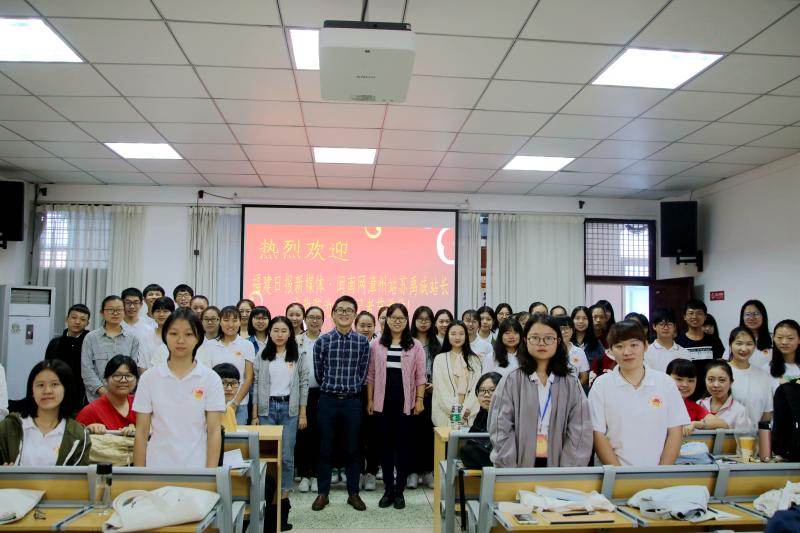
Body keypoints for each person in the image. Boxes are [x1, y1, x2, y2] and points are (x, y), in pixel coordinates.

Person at [489, 315, 592, 468]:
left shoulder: (571, 382)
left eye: (549, 338)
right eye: (535, 338)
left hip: (560, 466)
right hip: (518, 466)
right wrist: (510, 468)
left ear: (558, 341)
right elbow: (500, 427)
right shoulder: (511, 380)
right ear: (525, 340)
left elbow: (580, 429)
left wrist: (568, 470)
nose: (542, 343)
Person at [133, 308, 224, 468]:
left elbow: (214, 431)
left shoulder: (210, 379)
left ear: (198, 338)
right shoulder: (149, 378)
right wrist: (139, 474)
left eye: (188, 334)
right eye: (174, 333)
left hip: (197, 466)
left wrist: (210, 474)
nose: (180, 340)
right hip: (157, 465)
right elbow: (141, 432)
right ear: (165, 336)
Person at [589, 321, 688, 466]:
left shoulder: (665, 383)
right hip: (613, 472)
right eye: (619, 346)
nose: (627, 352)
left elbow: (675, 431)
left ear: (646, 346)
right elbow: (597, 433)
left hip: (657, 471)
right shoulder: (601, 385)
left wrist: (662, 472)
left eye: (634, 345)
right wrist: (619, 474)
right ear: (610, 351)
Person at [312, 296, 370, 512]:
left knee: (353, 448)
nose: (344, 314)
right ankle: (323, 493)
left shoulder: (362, 342)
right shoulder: (323, 341)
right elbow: (319, 373)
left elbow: (363, 373)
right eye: (340, 310)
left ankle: (353, 493)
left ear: (355, 315)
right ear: (333, 314)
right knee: (324, 447)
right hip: (327, 400)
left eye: (349, 310)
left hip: (352, 401)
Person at [366, 303, 426, 510]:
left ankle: (399, 490)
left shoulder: (415, 345)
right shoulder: (376, 345)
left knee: (402, 448)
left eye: (402, 318)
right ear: (387, 320)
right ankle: (388, 490)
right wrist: (370, 400)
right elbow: (371, 375)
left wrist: (419, 400)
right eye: (393, 317)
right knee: (385, 448)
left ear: (407, 321)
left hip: (405, 403)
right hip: (382, 403)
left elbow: (420, 376)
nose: (397, 321)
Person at [251, 316, 308, 510]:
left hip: (289, 410)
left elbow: (303, 384)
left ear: (290, 333)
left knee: (286, 455)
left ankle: (284, 494)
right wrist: (254, 415)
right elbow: (256, 384)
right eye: (276, 330)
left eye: (284, 331)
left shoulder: (298, 354)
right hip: (267, 409)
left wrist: (303, 413)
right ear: (270, 332)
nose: (279, 334)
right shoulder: (262, 354)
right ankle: (269, 492)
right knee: (267, 454)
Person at [0, 359, 90, 465]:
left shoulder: (79, 435)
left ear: (66, 389)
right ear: (32, 390)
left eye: (54, 384)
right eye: (40, 385)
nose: (47, 391)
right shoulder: (9, 426)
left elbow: (79, 474)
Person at [196, 306, 255, 424]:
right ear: (220, 322)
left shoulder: (247, 345)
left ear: (240, 322)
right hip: (214, 403)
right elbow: (206, 376)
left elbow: (249, 378)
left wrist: (235, 403)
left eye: (235, 320)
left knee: (237, 435)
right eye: (226, 320)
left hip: (240, 404)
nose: (230, 324)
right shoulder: (209, 345)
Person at [81, 295, 140, 402]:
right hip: (97, 399)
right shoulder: (91, 338)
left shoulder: (132, 339)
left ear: (124, 312)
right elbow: (86, 369)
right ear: (102, 312)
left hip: (124, 398)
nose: (115, 313)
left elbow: (133, 369)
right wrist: (102, 391)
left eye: (119, 309)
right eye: (110, 310)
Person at [408, 305, 440, 490]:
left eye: (427, 319)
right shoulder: (408, 342)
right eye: (420, 319)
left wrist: (434, 385)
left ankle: (428, 471)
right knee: (411, 433)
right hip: (411, 394)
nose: (423, 322)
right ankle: (412, 472)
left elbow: (443, 370)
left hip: (432, 395)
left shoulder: (438, 344)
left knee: (429, 434)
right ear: (414, 321)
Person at [432, 321, 482, 428]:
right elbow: (441, 391)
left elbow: (476, 389)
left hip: (469, 416)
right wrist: (458, 414)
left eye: (461, 334)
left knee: (466, 438)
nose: (457, 337)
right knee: (449, 437)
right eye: (453, 334)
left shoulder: (475, 360)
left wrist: (465, 411)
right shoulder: (439, 359)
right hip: (445, 416)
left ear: (466, 336)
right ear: (447, 336)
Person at [296, 306, 324, 494]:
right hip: (301, 393)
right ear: (305, 319)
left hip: (322, 393)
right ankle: (304, 475)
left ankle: (316, 475)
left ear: (323, 321)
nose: (314, 320)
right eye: (311, 317)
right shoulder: (297, 340)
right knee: (303, 436)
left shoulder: (327, 339)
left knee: (320, 435)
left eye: (318, 317)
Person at [77, 355, 138, 435]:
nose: (123, 380)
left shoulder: (141, 405)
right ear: (106, 379)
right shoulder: (90, 411)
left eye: (128, 376)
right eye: (117, 376)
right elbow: (75, 439)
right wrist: (89, 430)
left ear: (136, 380)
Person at [666, 358, 727, 436]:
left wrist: (695, 424)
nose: (685, 384)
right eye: (679, 379)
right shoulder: (657, 402)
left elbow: (723, 424)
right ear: (666, 378)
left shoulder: (694, 407)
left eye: (690, 380)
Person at [727, 327, 773, 430]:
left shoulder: (763, 375)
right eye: (739, 343)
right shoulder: (721, 372)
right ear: (730, 345)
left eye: (749, 344)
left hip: (755, 435)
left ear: (754, 346)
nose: (744, 349)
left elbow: (767, 412)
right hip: (726, 434)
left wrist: (758, 435)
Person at [46, 303, 91, 405]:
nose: (77, 322)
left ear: (87, 323)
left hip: (83, 395)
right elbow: (48, 368)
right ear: (67, 319)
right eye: (74, 317)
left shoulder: (90, 343)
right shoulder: (55, 343)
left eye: (82, 319)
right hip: (58, 392)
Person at [698, 360, 752, 429]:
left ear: (731, 382)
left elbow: (745, 435)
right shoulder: (699, 404)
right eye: (711, 379)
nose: (716, 385)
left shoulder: (740, 411)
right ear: (705, 380)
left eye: (722, 380)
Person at [645, 308, 691, 373]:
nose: (666, 328)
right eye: (661, 324)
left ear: (674, 327)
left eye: (669, 324)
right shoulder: (646, 352)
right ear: (654, 326)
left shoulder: (684, 353)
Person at [730, 300, 772, 369]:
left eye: (756, 314)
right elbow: (727, 361)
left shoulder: (773, 339)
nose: (752, 318)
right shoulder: (735, 337)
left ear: (763, 316)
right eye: (748, 314)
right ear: (742, 317)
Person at [137, 296, 174, 370]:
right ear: (153, 314)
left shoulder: (177, 337)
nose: (161, 314)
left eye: (165, 311)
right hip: (149, 376)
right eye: (157, 311)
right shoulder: (145, 336)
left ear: (173, 314)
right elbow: (142, 365)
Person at [556, 316, 590, 387]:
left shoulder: (579, 352)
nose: (563, 332)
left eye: (566, 328)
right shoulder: (550, 350)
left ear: (572, 330)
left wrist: (572, 388)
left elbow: (584, 378)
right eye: (560, 329)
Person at [770, 319, 800, 392]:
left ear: (799, 339)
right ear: (773, 338)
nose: (784, 342)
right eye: (779, 337)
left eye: (790, 338)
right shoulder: (766, 369)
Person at [212, 363, 240, 432]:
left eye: (234, 383)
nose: (229, 388)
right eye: (223, 383)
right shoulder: (208, 412)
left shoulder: (230, 411)